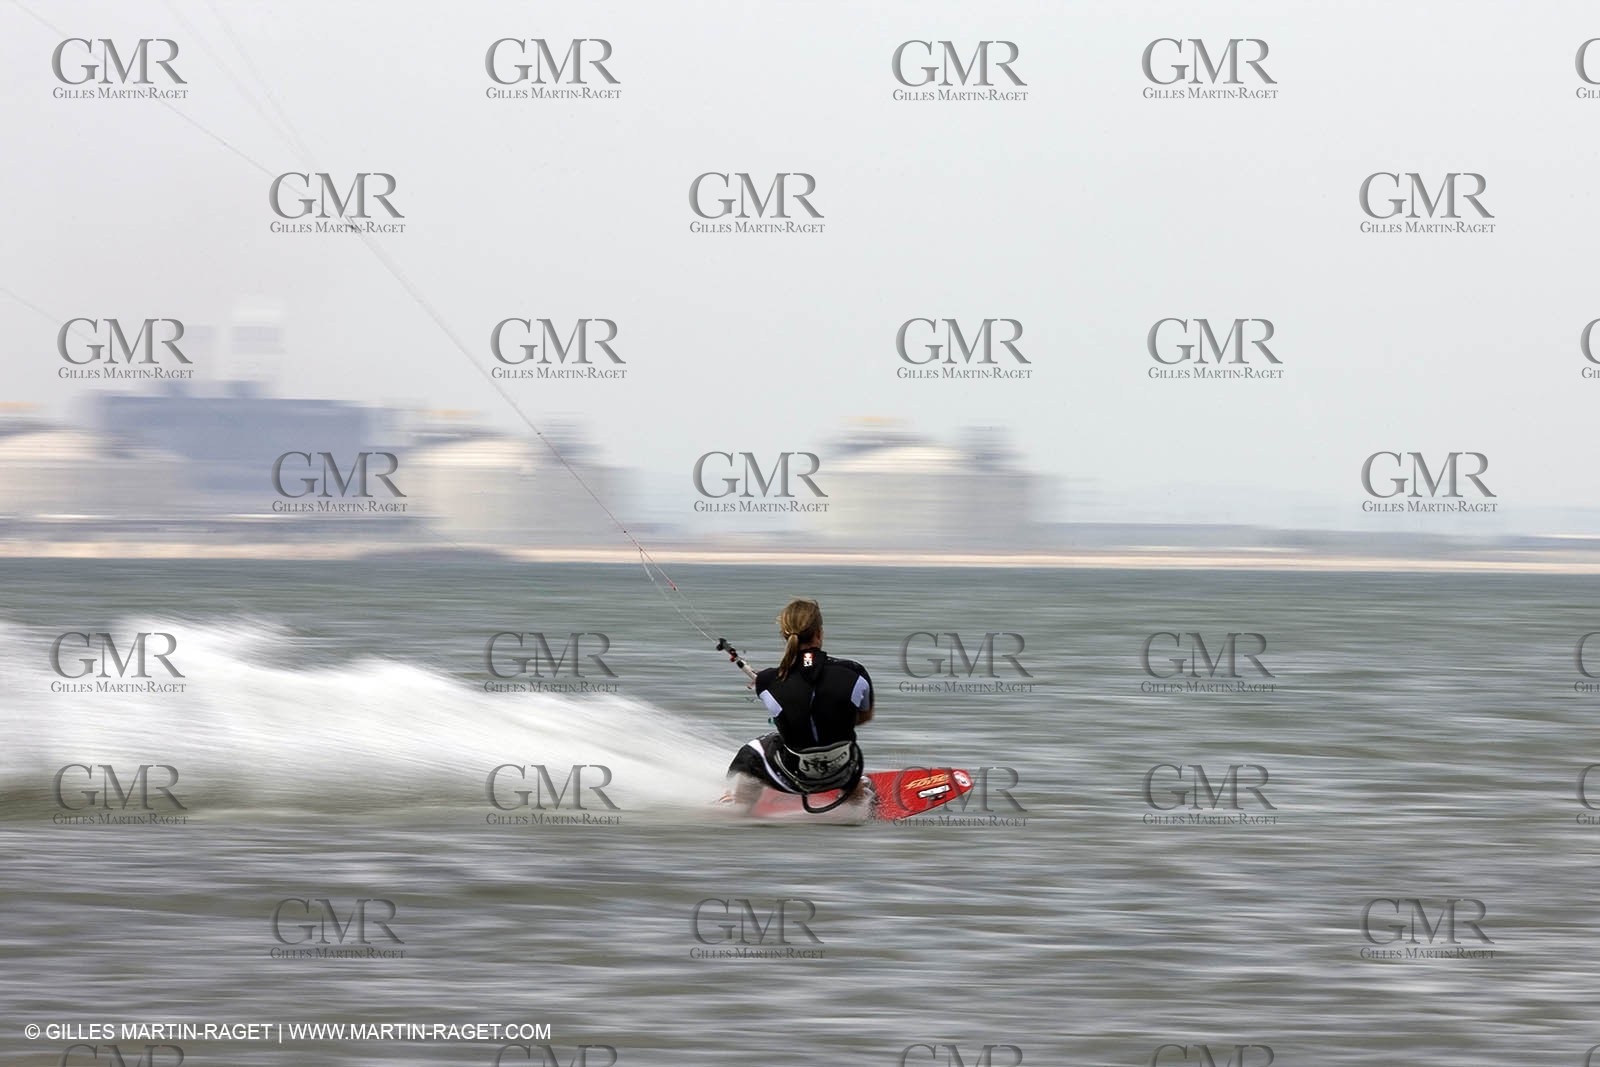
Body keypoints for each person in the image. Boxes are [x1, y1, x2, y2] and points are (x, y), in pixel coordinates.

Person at [723, 598, 875, 813]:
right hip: (843, 768)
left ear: (785, 636)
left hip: (794, 777)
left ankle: (739, 805)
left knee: (754, 750)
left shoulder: (767, 682)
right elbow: (864, 716)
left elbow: (796, 712)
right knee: (836, 740)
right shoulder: (855, 671)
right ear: (820, 633)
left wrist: (769, 679)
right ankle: (858, 797)